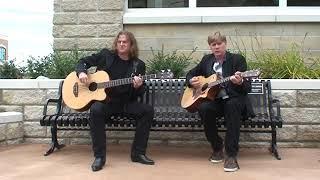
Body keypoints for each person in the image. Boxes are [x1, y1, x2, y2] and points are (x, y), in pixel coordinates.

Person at [76, 31, 155, 172]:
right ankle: (99, 157)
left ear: (131, 45)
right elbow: (83, 61)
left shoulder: (138, 65)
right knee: (95, 110)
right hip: (107, 103)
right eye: (119, 41)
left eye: (125, 42)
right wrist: (81, 72)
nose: (122, 44)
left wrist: (138, 86)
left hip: (125, 103)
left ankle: (138, 153)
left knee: (147, 111)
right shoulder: (106, 56)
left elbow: (138, 92)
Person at [186, 31, 252, 172]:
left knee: (232, 106)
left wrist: (239, 82)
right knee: (204, 108)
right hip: (216, 101)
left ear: (225, 44)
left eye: (219, 44)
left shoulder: (237, 60)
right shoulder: (206, 60)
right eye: (213, 44)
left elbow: (247, 88)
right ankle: (217, 147)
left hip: (234, 99)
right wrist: (191, 81)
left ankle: (231, 155)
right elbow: (190, 74)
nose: (216, 47)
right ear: (210, 46)